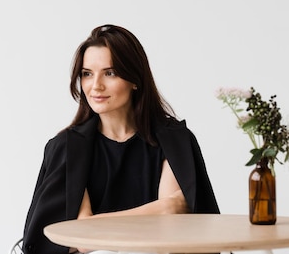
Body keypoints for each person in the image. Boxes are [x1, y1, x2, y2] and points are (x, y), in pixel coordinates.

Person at [21, 24, 219, 254]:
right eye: (87, 74)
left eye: (110, 73)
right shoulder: (68, 147)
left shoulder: (173, 140)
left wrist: (93, 225)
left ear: (135, 79)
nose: (96, 86)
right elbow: (78, 237)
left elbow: (171, 229)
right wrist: (163, 207)